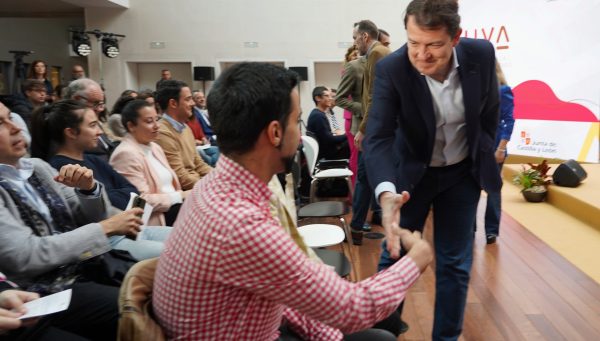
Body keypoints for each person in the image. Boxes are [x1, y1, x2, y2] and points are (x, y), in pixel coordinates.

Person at [153, 62, 432, 340]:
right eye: (296, 121)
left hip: (248, 324)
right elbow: (352, 308)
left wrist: (323, 334)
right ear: (274, 132)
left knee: (384, 326)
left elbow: (279, 293)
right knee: (380, 335)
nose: (300, 136)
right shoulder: (241, 223)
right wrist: (416, 258)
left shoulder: (216, 188)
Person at [363, 0, 501, 339]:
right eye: (413, 43)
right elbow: (378, 137)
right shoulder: (393, 68)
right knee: (394, 256)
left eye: (433, 44)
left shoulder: (481, 55)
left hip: (460, 176)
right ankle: (383, 334)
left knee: (455, 265)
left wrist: (482, 152)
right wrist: (385, 191)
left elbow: (489, 112)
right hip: (409, 178)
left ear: (455, 38)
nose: (421, 54)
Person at [0, 102, 140, 340]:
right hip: (44, 290)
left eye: (11, 118)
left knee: (161, 289)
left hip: (85, 267)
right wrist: (105, 228)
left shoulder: (38, 167)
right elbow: (25, 256)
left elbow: (91, 216)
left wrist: (89, 190)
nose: (15, 128)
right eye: (1, 124)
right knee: (139, 307)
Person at [29, 100, 172, 261]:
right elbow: (93, 214)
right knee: (172, 253)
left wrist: (102, 194)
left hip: (131, 228)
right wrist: (102, 194)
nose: (100, 131)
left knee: (185, 237)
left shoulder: (95, 160)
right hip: (105, 242)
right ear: (71, 133)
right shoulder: (60, 170)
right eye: (92, 125)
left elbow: (133, 192)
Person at [110, 98, 189, 226]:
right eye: (149, 121)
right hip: (154, 218)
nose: (157, 126)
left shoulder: (154, 147)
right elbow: (139, 200)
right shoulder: (125, 154)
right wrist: (179, 196)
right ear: (131, 126)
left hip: (174, 207)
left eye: (156, 119)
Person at [350, 19, 390, 245]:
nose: (354, 42)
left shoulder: (377, 53)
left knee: (366, 178)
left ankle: (357, 228)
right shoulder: (377, 52)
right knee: (366, 178)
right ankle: (356, 227)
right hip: (380, 128)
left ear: (365, 36)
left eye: (355, 37)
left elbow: (375, 97)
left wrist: (363, 129)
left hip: (378, 129)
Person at [480, 61, 515, 244]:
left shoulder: (503, 90)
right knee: (470, 190)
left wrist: (501, 148)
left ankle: (491, 231)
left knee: (493, 190)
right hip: (473, 149)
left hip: (494, 149)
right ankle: (468, 229)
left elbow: (509, 120)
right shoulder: (475, 89)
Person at [154, 80, 212, 190]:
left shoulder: (186, 128)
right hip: (186, 193)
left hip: (197, 185)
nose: (193, 103)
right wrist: (209, 186)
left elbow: (198, 164)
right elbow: (180, 177)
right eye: (188, 99)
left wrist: (220, 178)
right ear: (173, 103)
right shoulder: (162, 132)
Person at [336, 45, 364, 185]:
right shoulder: (349, 71)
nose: (356, 58)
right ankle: (354, 193)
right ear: (348, 59)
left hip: (358, 117)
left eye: (358, 55)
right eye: (353, 56)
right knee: (355, 156)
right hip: (352, 117)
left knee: (360, 156)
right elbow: (342, 98)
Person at [307, 86, 349, 160]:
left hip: (326, 151)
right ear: (317, 98)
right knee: (352, 143)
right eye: (326, 96)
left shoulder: (318, 114)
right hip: (327, 155)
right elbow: (329, 139)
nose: (330, 98)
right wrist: (348, 135)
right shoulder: (318, 116)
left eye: (330, 96)